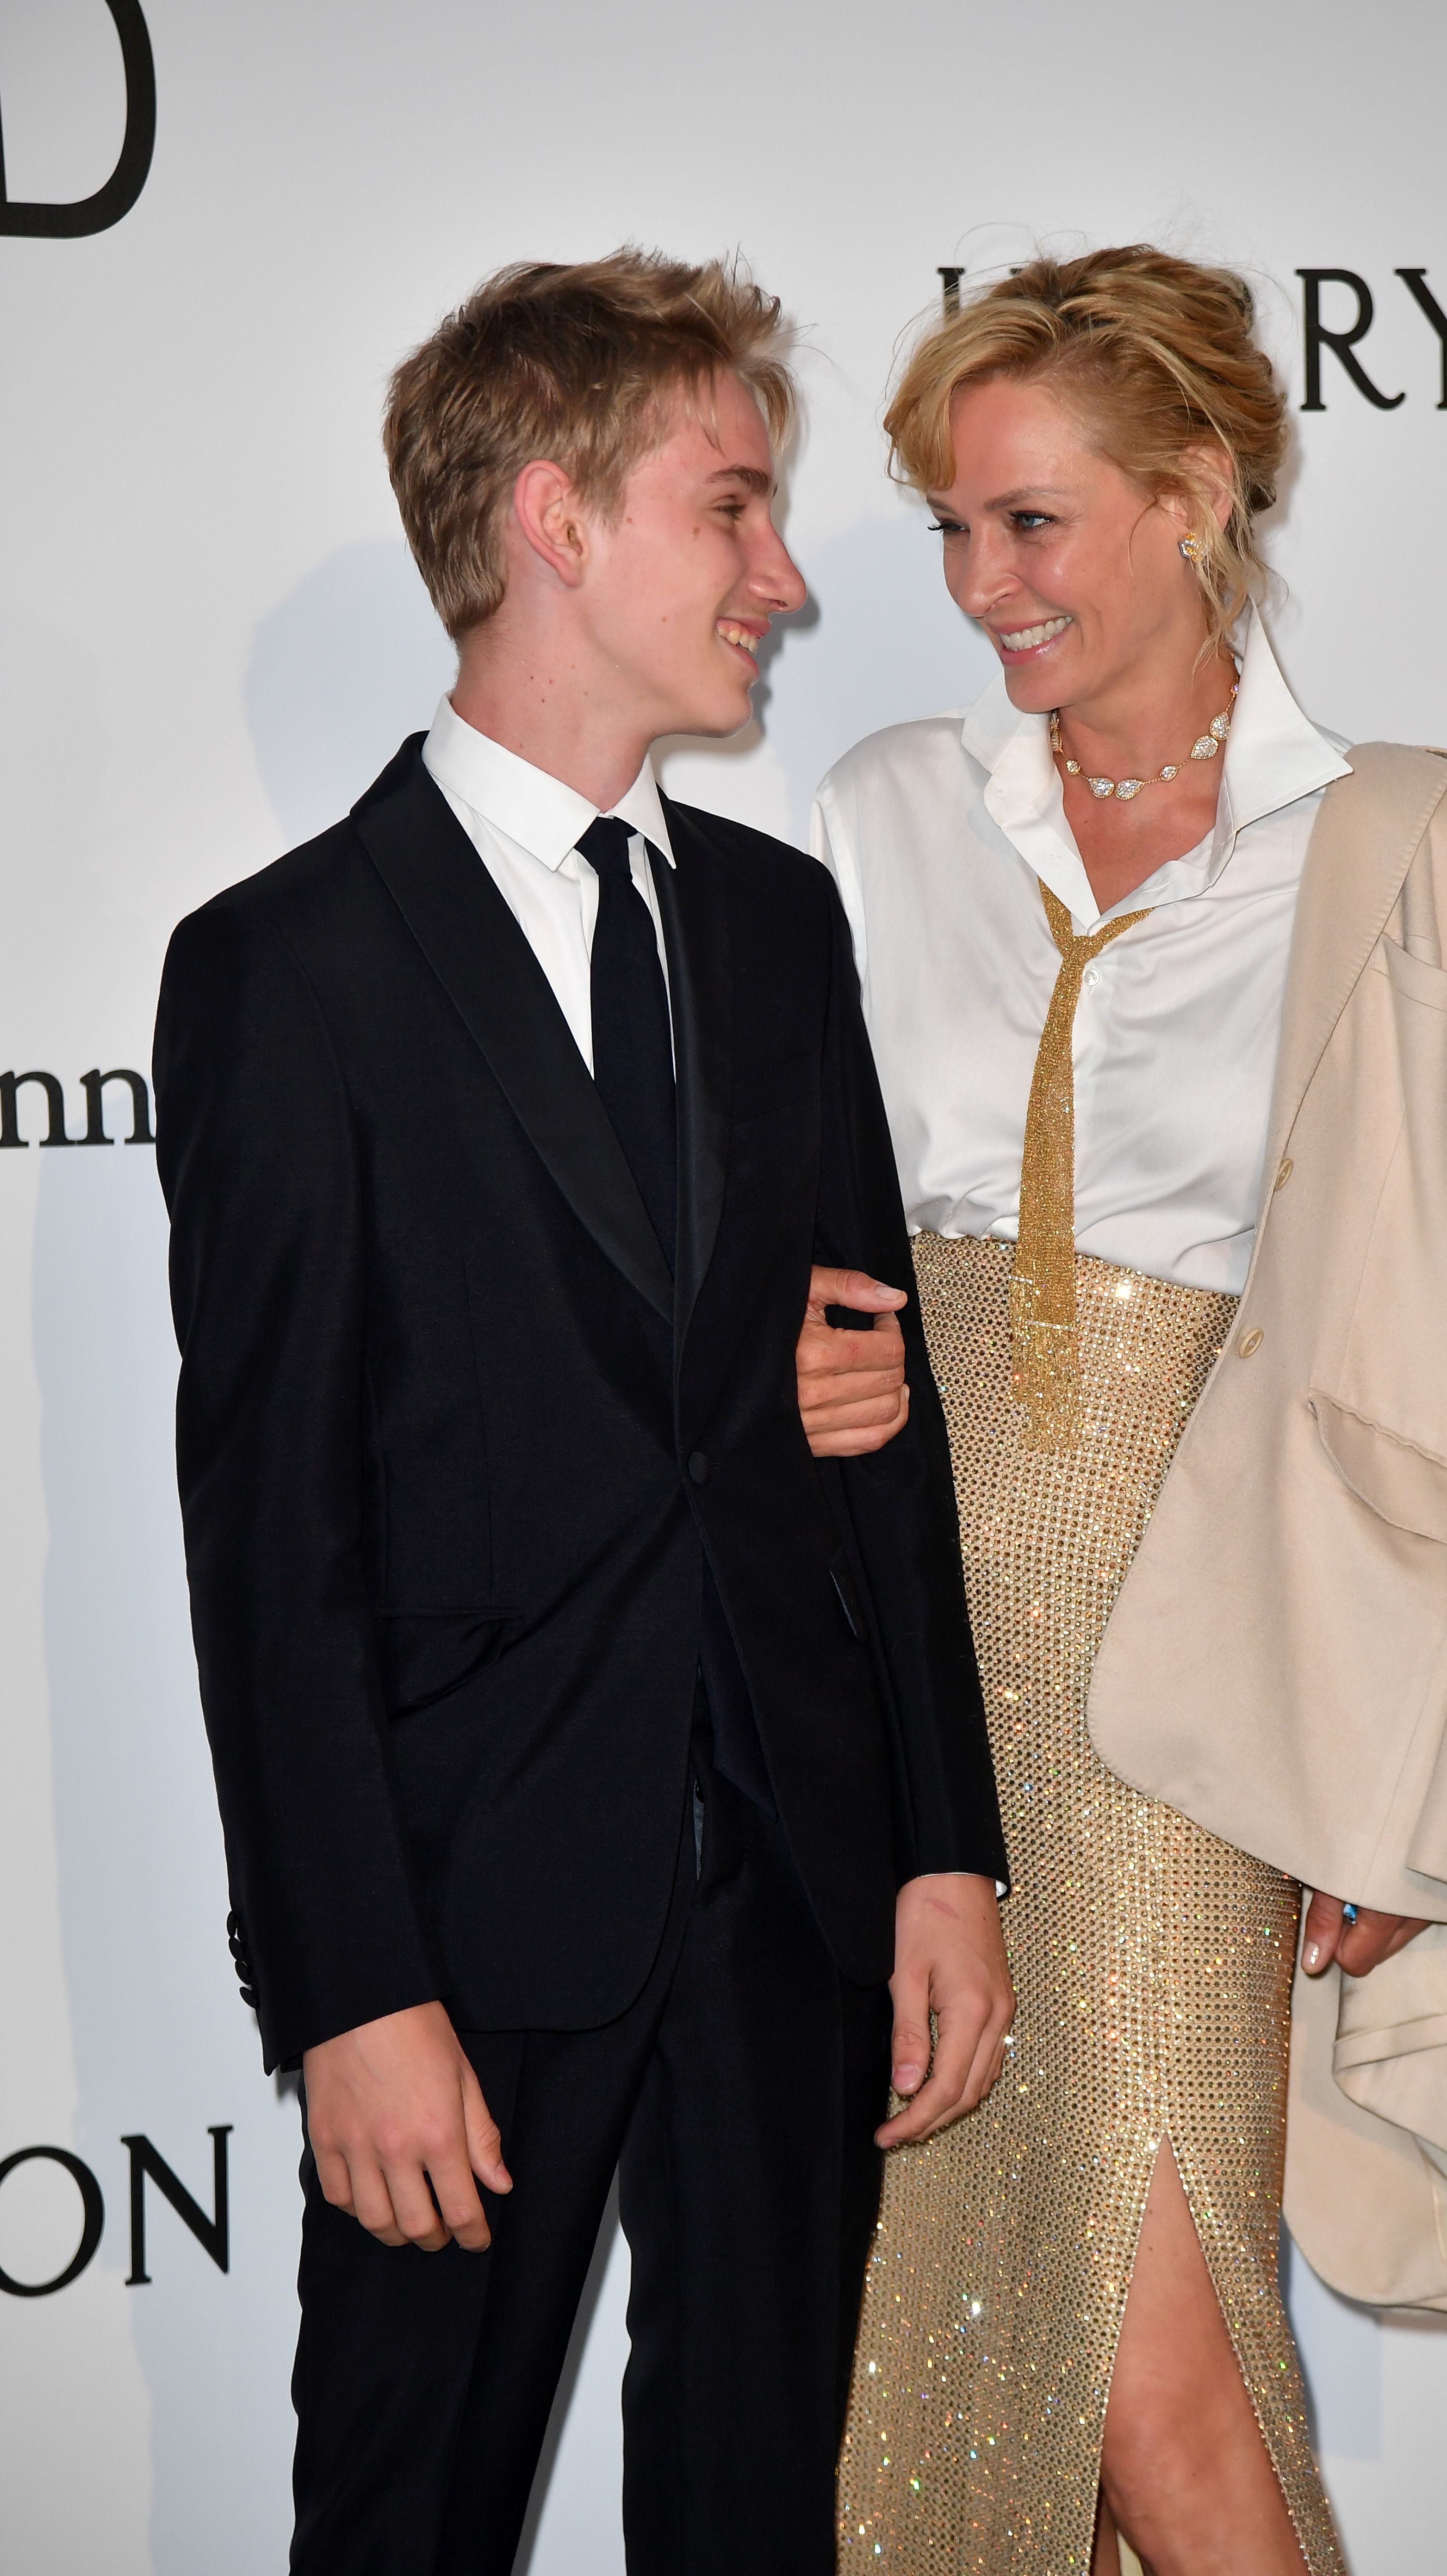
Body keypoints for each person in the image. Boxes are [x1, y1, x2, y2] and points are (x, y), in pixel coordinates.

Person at [807, 247, 1447, 2576]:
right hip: (895, 1671)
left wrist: (1408, 1740)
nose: (980, 584)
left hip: (1194, 1680)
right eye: (953, 527)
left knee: (1150, 2359)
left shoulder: (1405, 860)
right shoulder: (880, 811)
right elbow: (764, 1208)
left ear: (1194, 497)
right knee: (941, 2358)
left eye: (1033, 522)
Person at [153, 250, 1013, 2576]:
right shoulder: (288, 971)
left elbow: (876, 1411)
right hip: (464, 1929)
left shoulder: (771, 923)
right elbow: (270, 1544)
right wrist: (352, 1991)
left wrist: (943, 1849)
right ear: (553, 517)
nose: (784, 576)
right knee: (405, 2533)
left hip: (792, 1907)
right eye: (730, 507)